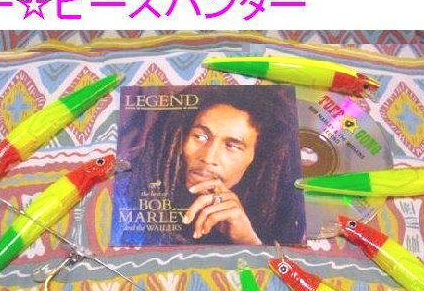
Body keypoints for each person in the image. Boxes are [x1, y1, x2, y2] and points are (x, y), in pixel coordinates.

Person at [116, 85, 306, 246]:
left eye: (232, 146)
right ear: (179, 137)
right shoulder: (121, 195)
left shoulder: (275, 216)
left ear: (256, 159)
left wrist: (248, 242)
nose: (208, 157)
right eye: (200, 136)